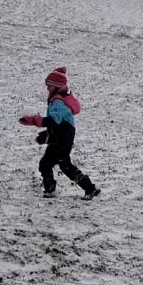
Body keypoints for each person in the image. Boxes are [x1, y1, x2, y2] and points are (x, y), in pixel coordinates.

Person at [19, 67, 100, 200]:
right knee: (47, 164)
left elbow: (54, 121)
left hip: (64, 137)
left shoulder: (58, 102)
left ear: (56, 87)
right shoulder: (57, 100)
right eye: (47, 86)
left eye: (49, 86)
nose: (47, 89)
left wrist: (34, 120)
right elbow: (57, 124)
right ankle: (50, 190)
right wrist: (47, 136)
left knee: (64, 165)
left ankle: (90, 188)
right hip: (62, 136)